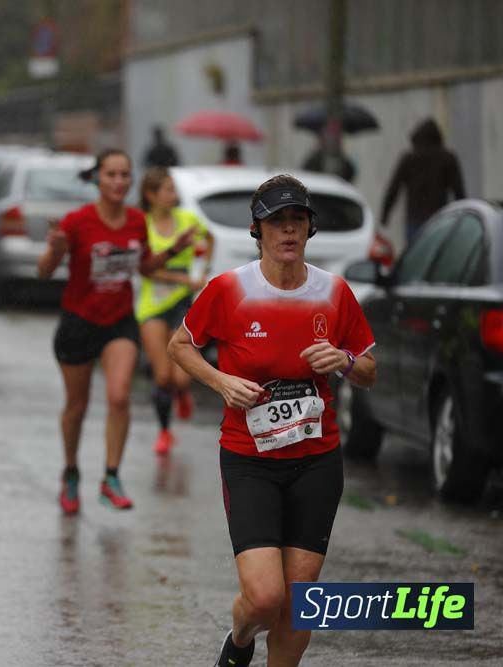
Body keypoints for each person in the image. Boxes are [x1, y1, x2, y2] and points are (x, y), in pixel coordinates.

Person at [167, 174, 376, 666]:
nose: (288, 231)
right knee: (265, 599)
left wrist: (343, 361)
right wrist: (221, 381)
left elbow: (369, 369)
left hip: (316, 459)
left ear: (309, 229)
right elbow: (181, 347)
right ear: (257, 230)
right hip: (249, 459)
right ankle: (240, 636)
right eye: (276, 222)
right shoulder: (230, 289)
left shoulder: (334, 292)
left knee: (299, 606)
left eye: (297, 220)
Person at [37, 149, 197, 515]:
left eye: (125, 175)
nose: (119, 182)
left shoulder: (136, 222)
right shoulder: (78, 222)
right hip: (79, 322)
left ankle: (111, 477)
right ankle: (71, 472)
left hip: (118, 322)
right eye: (111, 175)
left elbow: (143, 267)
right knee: (76, 407)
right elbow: (45, 272)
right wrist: (55, 250)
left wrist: (172, 249)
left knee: (119, 396)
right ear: (98, 179)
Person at [135, 168, 214, 455]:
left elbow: (209, 239)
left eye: (173, 189)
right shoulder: (141, 225)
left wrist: (201, 269)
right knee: (162, 376)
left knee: (181, 377)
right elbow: (146, 270)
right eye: (167, 189)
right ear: (151, 195)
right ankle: (165, 431)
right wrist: (184, 278)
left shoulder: (187, 220)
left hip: (183, 303)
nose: (173, 195)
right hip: (153, 304)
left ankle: (183, 393)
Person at [381, 118, 465, 244]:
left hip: (414, 221)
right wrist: (463, 218)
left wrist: (384, 218)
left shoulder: (408, 159)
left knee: (415, 259)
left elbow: (393, 190)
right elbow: (459, 192)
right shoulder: (448, 159)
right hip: (440, 219)